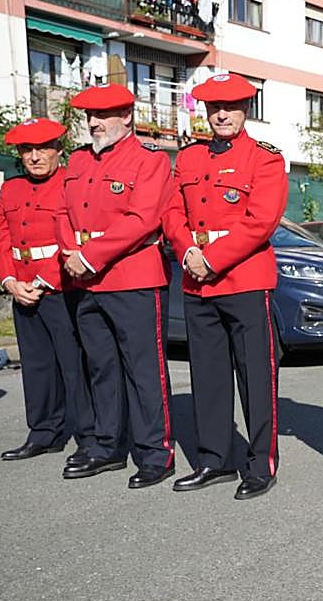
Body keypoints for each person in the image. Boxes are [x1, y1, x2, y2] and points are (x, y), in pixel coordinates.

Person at [162, 73, 286, 500]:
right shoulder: (190, 158)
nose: (222, 115)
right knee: (208, 377)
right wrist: (186, 253)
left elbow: (260, 221)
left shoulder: (265, 158)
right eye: (214, 108)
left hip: (245, 281)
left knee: (256, 377)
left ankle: (260, 464)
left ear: (245, 110)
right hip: (197, 282)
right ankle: (214, 459)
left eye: (230, 107)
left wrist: (211, 258)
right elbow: (172, 212)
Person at [57, 83, 176, 489]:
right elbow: (62, 212)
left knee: (143, 370)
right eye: (89, 116)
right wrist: (71, 251)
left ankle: (155, 453)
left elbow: (143, 219)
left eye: (102, 115)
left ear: (126, 116)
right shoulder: (76, 161)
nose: (93, 123)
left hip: (133, 280)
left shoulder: (150, 161)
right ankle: (107, 447)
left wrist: (89, 256)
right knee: (101, 368)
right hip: (87, 282)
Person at [0, 118, 95, 469]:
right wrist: (9, 280)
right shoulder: (11, 188)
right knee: (36, 365)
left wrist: (43, 282)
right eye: (26, 150)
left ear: (58, 150)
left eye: (42, 149)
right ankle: (43, 431)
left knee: (73, 365)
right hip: (21, 286)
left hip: (60, 286)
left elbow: (74, 237)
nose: (34, 157)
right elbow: (1, 235)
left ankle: (89, 436)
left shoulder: (71, 183)